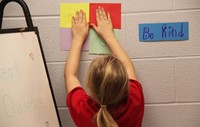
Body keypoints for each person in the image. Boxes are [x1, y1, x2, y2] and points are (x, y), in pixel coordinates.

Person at [65, 6, 144, 127]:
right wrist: (109, 36)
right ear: (125, 85)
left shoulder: (82, 108)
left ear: (88, 86)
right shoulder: (134, 101)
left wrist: (77, 39)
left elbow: (70, 75)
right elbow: (128, 67)